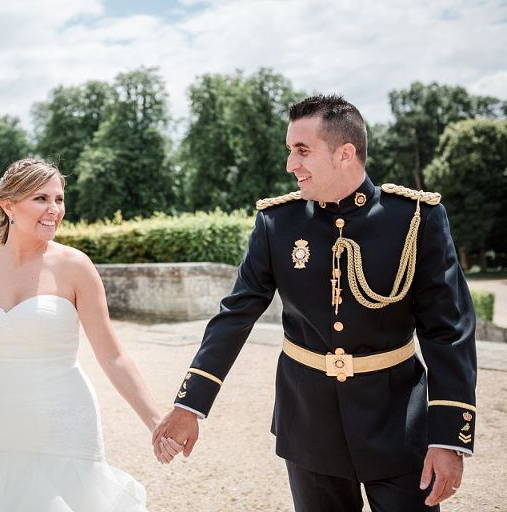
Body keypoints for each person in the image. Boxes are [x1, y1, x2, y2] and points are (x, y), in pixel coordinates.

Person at [153, 95, 477, 511]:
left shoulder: (415, 219)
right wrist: (189, 404)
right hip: (308, 424)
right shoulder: (277, 223)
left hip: (397, 423)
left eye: (302, 150)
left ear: (345, 153)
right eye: (290, 150)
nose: (291, 164)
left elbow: (448, 332)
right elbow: (235, 314)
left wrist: (449, 437)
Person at [0, 158, 181, 511]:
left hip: (65, 422)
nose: (54, 209)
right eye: (41, 199)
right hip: (4, 423)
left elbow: (112, 355)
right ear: (8, 206)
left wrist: (156, 422)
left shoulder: (75, 266)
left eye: (59, 199)